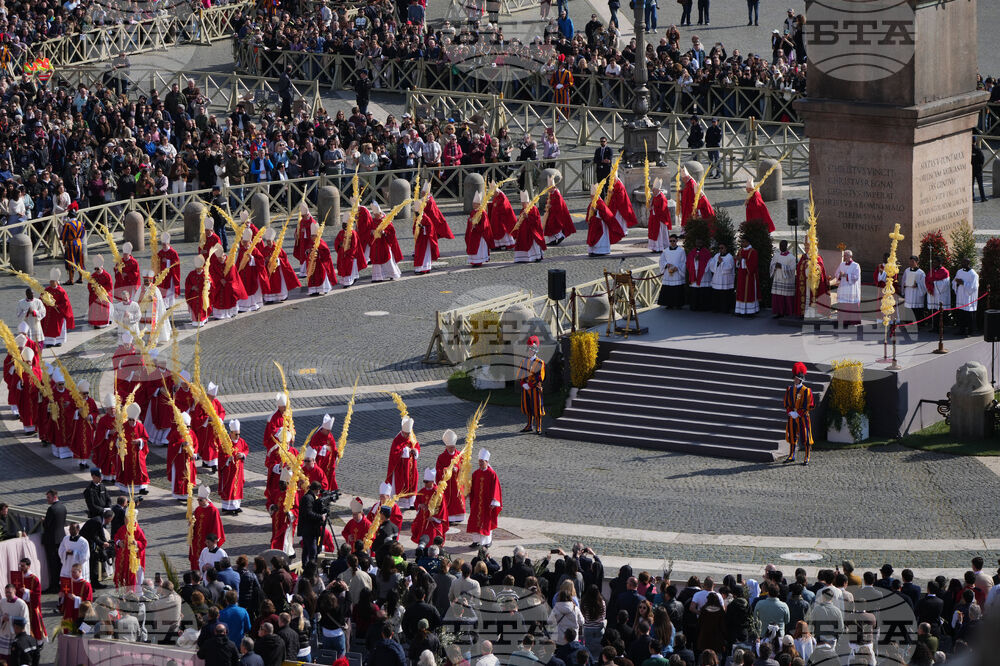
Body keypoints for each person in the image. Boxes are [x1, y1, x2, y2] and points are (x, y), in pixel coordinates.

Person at [467, 448, 502, 548]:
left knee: (486, 522)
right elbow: (472, 486)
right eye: (479, 461)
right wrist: (468, 493)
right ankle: (476, 541)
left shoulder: (492, 474)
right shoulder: (476, 473)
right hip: (477, 502)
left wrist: (494, 502)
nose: (480, 463)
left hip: (487, 503)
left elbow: (496, 488)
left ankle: (487, 542)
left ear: (487, 462)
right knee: (474, 521)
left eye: (482, 461)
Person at [783, 362, 814, 465]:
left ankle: (807, 456)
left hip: (803, 417)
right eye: (794, 378)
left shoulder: (806, 391)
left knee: (805, 436)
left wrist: (798, 413)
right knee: (792, 436)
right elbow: (787, 403)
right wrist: (790, 412)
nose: (794, 380)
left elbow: (808, 405)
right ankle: (791, 455)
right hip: (792, 416)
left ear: (800, 379)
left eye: (796, 378)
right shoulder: (790, 389)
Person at [190, 485, 226, 572]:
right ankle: (196, 573)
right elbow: (194, 523)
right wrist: (191, 524)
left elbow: (216, 528)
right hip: (197, 540)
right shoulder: (198, 509)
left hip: (206, 541)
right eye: (198, 500)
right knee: (195, 558)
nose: (198, 502)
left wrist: (211, 542)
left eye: (200, 500)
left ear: (206, 499)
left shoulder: (213, 511)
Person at [412, 468, 448, 547]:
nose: (425, 484)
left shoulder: (438, 493)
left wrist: (434, 518)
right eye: (424, 481)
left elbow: (442, 508)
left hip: (433, 521)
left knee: (432, 538)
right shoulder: (422, 491)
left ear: (432, 482)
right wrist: (419, 505)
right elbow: (416, 502)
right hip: (423, 519)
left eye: (426, 482)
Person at [219, 420, 248, 515]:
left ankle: (236, 506)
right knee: (230, 487)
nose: (238, 436)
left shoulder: (241, 441)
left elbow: (246, 449)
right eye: (236, 434)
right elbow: (221, 455)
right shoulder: (226, 442)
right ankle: (227, 507)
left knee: (238, 486)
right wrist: (228, 458)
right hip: (229, 470)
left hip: (239, 470)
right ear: (231, 433)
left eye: (239, 434)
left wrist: (243, 454)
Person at [10, 560, 44, 642]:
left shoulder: (34, 579)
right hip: (20, 605)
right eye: (20, 566)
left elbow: (37, 594)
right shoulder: (17, 576)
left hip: (31, 606)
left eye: (23, 566)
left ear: (28, 566)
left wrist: (27, 591)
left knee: (33, 624)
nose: (21, 568)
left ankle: (35, 642)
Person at [518, 336, 546, 435]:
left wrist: (530, 385)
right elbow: (520, 375)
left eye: (531, 349)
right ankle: (529, 425)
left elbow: (539, 377)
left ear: (535, 351)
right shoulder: (524, 361)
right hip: (526, 388)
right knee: (528, 407)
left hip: (535, 388)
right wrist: (523, 384)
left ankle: (538, 426)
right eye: (529, 349)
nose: (529, 351)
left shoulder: (540, 362)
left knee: (537, 407)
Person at [41, 268, 75, 347]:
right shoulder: (47, 290)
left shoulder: (61, 291)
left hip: (57, 313)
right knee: (49, 328)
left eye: (52, 282)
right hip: (49, 313)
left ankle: (58, 341)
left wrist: (58, 306)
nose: (51, 283)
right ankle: (49, 342)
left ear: (56, 282)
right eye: (50, 281)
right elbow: (41, 299)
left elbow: (66, 303)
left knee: (58, 327)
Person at [42, 489, 67, 593]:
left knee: (53, 565)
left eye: (49, 497)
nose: (47, 500)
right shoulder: (63, 507)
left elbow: (47, 525)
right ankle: (59, 584)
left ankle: (54, 586)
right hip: (61, 539)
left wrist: (43, 521)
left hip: (51, 540)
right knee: (59, 563)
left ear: (54, 497)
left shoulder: (51, 509)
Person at [586, 183, 620, 256]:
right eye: (591, 196)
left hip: (601, 225)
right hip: (594, 224)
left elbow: (605, 214)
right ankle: (593, 251)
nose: (591, 197)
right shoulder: (592, 202)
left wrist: (596, 211)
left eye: (592, 196)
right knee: (593, 238)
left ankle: (600, 251)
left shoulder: (600, 203)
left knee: (600, 238)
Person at [80, 510, 112, 588]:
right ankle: (92, 583)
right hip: (86, 544)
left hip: (90, 543)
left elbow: (101, 534)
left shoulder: (100, 520)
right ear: (109, 518)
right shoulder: (97, 521)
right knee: (92, 563)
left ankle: (94, 582)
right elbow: (93, 536)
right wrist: (102, 543)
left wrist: (105, 542)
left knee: (94, 563)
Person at [299, 481, 328, 565]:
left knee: (306, 550)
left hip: (309, 529)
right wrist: (320, 517)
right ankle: (310, 567)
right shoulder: (308, 498)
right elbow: (308, 513)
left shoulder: (309, 497)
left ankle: (305, 566)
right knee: (312, 551)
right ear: (317, 490)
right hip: (309, 529)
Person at [542, 174, 575, 245]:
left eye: (549, 188)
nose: (548, 189)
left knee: (553, 225)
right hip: (551, 212)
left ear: (553, 187)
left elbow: (559, 205)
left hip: (556, 213)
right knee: (548, 225)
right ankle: (552, 240)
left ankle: (560, 236)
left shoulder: (557, 194)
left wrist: (551, 206)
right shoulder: (551, 193)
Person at [514, 191, 546, 263]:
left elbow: (535, 220)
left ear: (527, 202)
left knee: (534, 244)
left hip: (532, 231)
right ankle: (522, 258)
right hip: (524, 230)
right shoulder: (523, 210)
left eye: (524, 203)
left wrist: (527, 216)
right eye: (522, 203)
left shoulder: (533, 208)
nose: (522, 205)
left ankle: (537, 256)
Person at [833, 249, 862, 327]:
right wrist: (840, 275)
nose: (845, 257)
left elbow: (856, 277)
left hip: (851, 288)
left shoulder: (856, 265)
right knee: (843, 304)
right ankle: (842, 320)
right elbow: (836, 273)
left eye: (846, 255)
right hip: (843, 287)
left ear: (851, 256)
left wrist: (845, 275)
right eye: (844, 255)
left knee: (850, 305)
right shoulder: (842, 264)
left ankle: (851, 321)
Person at [657, 234, 686, 309]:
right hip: (668, 272)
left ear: (677, 241)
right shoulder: (665, 251)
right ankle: (669, 304)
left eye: (674, 241)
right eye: (670, 241)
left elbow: (684, 262)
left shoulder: (681, 251)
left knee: (677, 288)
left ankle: (678, 304)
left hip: (677, 272)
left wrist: (678, 268)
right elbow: (661, 261)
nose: (672, 242)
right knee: (668, 288)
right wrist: (666, 265)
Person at [0, 586, 29, 660]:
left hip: (16, 634)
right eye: (6, 592)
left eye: (9, 592)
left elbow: (25, 620)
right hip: (4, 632)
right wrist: (2, 618)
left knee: (15, 657)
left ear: (14, 592)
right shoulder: (2, 602)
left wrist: (10, 619)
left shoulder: (21, 604)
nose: (7, 594)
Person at [466, 191, 492, 266]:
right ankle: (474, 261)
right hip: (474, 233)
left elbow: (485, 225)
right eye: (473, 203)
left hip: (480, 235)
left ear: (479, 204)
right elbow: (471, 219)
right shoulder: (473, 212)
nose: (473, 205)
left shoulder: (482, 213)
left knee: (479, 248)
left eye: (475, 204)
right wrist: (470, 221)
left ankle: (479, 261)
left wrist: (476, 227)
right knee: (473, 247)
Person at [770, 240, 797, 318]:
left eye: (783, 246)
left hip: (786, 280)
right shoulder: (776, 255)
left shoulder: (791, 257)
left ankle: (787, 312)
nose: (781, 247)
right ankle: (779, 312)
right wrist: (774, 266)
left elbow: (792, 270)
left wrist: (782, 266)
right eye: (780, 245)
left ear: (786, 246)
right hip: (778, 278)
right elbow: (771, 265)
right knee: (778, 297)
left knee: (786, 297)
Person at [953, 259, 980, 335]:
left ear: (968, 263)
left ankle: (970, 331)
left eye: (964, 262)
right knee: (961, 313)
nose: (963, 263)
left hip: (968, 297)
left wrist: (963, 283)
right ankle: (961, 330)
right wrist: (956, 283)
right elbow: (954, 281)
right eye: (962, 262)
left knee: (968, 314)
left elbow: (973, 287)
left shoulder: (973, 274)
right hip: (961, 295)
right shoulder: (959, 271)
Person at [735, 238, 760, 317]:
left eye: (743, 242)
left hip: (749, 276)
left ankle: (750, 311)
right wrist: (737, 260)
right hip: (741, 275)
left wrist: (741, 260)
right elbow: (737, 263)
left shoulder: (753, 252)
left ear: (748, 242)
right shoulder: (740, 251)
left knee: (749, 293)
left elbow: (753, 264)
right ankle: (740, 310)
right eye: (741, 242)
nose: (742, 243)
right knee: (740, 292)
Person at [87, 255, 113, 328]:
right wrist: (93, 289)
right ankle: (95, 323)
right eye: (95, 269)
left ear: (101, 267)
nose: (96, 271)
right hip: (95, 295)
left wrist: (101, 290)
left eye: (97, 269)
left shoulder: (107, 275)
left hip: (104, 294)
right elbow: (89, 285)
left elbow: (110, 286)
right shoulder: (93, 276)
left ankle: (103, 323)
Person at [647, 179, 672, 253]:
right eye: (653, 190)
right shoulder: (656, 196)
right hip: (655, 218)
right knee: (654, 233)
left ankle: (660, 247)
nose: (653, 192)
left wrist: (653, 209)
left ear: (658, 190)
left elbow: (663, 209)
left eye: (654, 190)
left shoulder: (662, 197)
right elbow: (653, 205)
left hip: (660, 219)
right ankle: (655, 247)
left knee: (659, 234)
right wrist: (650, 207)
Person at [709, 243, 735, 313]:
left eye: (722, 248)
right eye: (719, 248)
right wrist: (717, 263)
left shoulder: (729, 257)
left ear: (726, 248)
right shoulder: (716, 255)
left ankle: (725, 309)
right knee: (716, 294)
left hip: (725, 280)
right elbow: (711, 265)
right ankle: (716, 308)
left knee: (724, 295)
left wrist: (722, 263)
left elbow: (729, 268)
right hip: (717, 279)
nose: (720, 250)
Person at [902, 255, 927, 325]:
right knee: (908, 309)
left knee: (917, 310)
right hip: (909, 294)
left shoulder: (921, 273)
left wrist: (917, 285)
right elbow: (903, 281)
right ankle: (908, 323)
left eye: (912, 262)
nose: (911, 263)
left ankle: (918, 324)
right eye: (910, 262)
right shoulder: (906, 271)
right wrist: (905, 285)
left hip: (917, 295)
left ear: (917, 262)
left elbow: (924, 285)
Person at [972, 137, 987, 203]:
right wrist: (980, 166)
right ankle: (983, 197)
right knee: (980, 184)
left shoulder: (968, 149)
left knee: (971, 184)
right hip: (978, 169)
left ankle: (972, 197)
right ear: (975, 142)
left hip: (971, 169)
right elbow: (982, 159)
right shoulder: (977, 149)